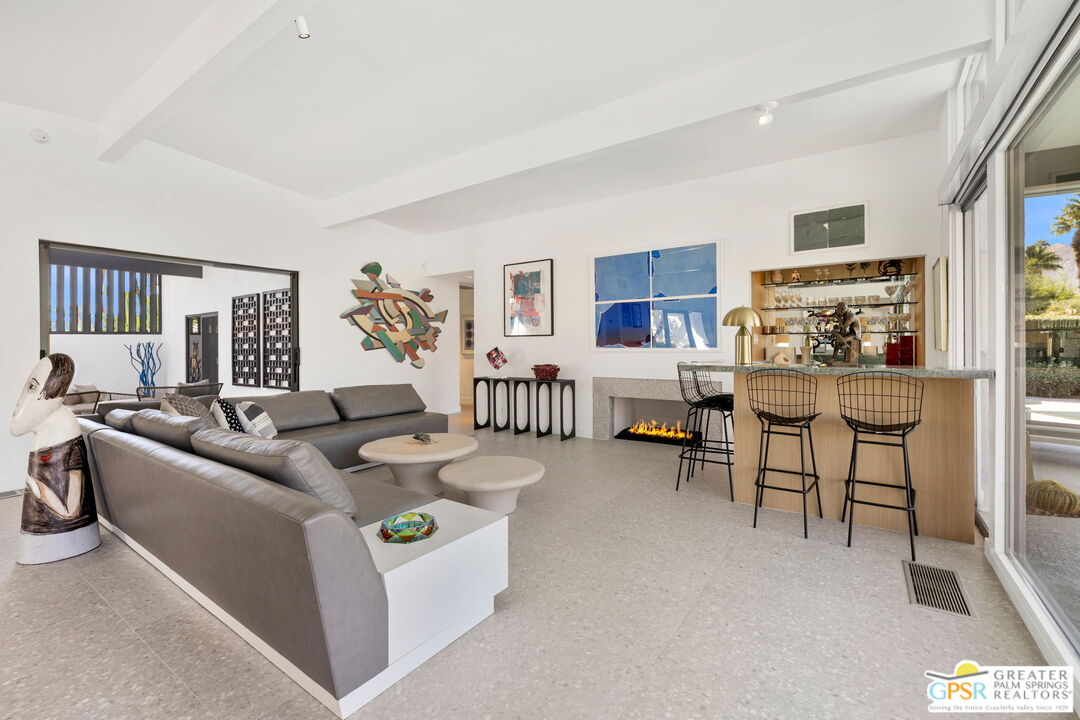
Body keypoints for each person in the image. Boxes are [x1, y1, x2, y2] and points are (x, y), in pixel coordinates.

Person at [10, 353, 100, 563]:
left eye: (32, 387)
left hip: (54, 536)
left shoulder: (66, 432)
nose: (19, 402)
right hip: (40, 535)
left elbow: (70, 511)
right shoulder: (53, 432)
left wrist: (35, 485)